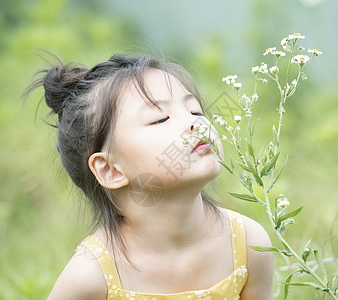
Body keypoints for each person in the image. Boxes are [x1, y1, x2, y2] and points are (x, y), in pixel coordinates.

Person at [27, 53, 274, 299]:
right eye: (160, 119)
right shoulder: (91, 276)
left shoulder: (248, 244)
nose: (195, 124)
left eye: (195, 111)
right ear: (110, 170)